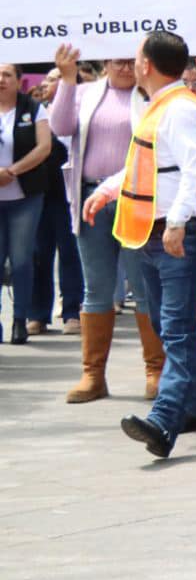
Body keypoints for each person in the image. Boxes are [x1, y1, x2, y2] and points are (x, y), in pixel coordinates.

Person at [84, 30, 196, 459]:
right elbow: (142, 167)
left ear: (146, 63)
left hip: (177, 234)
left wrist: (179, 222)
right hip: (153, 232)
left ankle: (164, 421)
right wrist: (108, 191)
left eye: (137, 55)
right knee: (173, 327)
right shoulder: (158, 106)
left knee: (178, 328)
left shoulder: (180, 108)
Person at [51, 48, 156, 399]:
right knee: (96, 288)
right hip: (91, 199)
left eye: (131, 61)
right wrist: (67, 80)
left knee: (143, 287)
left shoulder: (151, 96)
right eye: (117, 61)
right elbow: (60, 128)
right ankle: (92, 375)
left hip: (136, 200)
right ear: (104, 64)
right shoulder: (86, 92)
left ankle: (155, 370)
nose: (125, 67)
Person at [0, 62, 54, 344]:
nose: (1, 80)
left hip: (24, 197)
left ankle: (20, 319)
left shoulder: (33, 108)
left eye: (7, 75)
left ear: (18, 81)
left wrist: (12, 172)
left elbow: (44, 147)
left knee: (21, 260)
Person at [26, 69, 83, 335]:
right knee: (39, 254)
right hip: (40, 194)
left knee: (71, 253)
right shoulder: (35, 112)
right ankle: (38, 314)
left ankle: (73, 311)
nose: (52, 83)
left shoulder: (82, 108)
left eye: (59, 78)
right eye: (49, 79)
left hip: (71, 194)